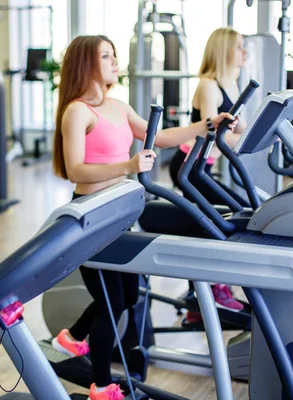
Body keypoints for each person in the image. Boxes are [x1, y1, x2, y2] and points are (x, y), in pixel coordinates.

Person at [50, 35, 238, 400]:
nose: (115, 60)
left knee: (127, 297)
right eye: (106, 56)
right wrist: (129, 166)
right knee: (110, 303)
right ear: (85, 64)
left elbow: (164, 137)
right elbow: (76, 170)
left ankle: (71, 337)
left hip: (119, 213)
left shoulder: (117, 106)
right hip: (90, 219)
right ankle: (101, 386)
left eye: (114, 54)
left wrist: (207, 126)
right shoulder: (77, 111)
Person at [168, 27, 249, 316]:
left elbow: (240, 131)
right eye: (239, 47)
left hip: (206, 167)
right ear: (224, 50)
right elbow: (215, 134)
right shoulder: (208, 86)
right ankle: (210, 291)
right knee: (222, 219)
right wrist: (253, 139)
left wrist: (266, 133)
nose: (245, 53)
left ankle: (205, 292)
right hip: (190, 166)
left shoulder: (232, 84)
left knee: (232, 214)